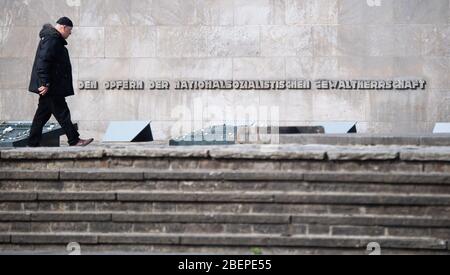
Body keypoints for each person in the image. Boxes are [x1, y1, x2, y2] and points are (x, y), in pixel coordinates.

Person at [28, 17, 93, 147]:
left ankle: (33, 142)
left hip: (51, 85)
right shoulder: (52, 39)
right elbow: (43, 62)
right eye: (69, 30)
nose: (70, 33)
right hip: (51, 87)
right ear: (63, 27)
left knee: (41, 115)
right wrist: (45, 83)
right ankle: (74, 140)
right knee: (63, 113)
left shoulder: (52, 38)